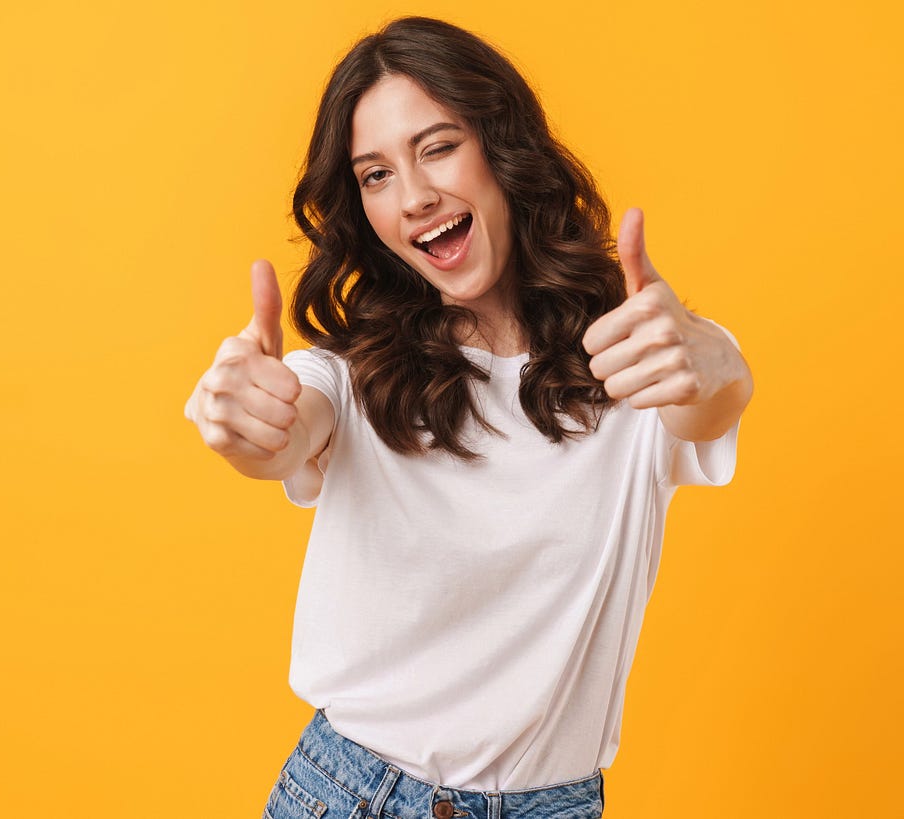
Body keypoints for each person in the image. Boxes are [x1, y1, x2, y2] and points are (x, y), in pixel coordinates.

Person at [185, 16, 753, 819]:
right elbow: (287, 429)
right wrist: (247, 419)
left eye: (437, 146)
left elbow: (710, 396)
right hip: (351, 796)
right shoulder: (350, 375)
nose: (414, 196)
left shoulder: (635, 357)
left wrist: (718, 361)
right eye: (375, 175)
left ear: (501, 145)